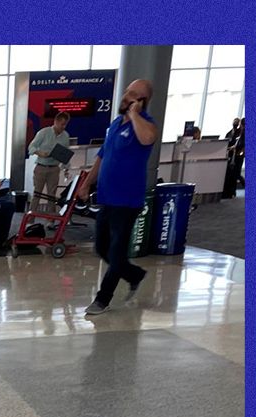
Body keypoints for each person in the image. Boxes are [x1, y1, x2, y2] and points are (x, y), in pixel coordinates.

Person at [75, 79, 159, 314]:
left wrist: (134, 115)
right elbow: (101, 158)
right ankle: (135, 274)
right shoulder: (114, 125)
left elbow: (147, 139)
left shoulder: (146, 125)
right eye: (127, 92)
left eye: (133, 94)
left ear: (142, 101)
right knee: (102, 248)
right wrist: (86, 183)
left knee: (116, 252)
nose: (126, 96)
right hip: (107, 198)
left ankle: (103, 299)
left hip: (127, 200)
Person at [28, 109, 74, 206]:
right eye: (62, 124)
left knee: (52, 195)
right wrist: (40, 153)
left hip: (54, 169)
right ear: (56, 122)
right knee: (37, 193)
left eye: (65, 124)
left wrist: (66, 169)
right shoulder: (44, 132)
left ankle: (50, 220)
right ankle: (30, 219)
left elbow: (65, 155)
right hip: (41, 167)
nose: (64, 127)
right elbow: (31, 147)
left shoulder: (65, 136)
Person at [224, 117, 244, 198]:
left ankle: (232, 191)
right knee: (232, 174)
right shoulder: (230, 133)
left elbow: (240, 145)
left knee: (236, 174)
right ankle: (230, 192)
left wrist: (240, 152)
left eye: (237, 122)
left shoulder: (241, 133)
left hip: (238, 156)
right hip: (231, 155)